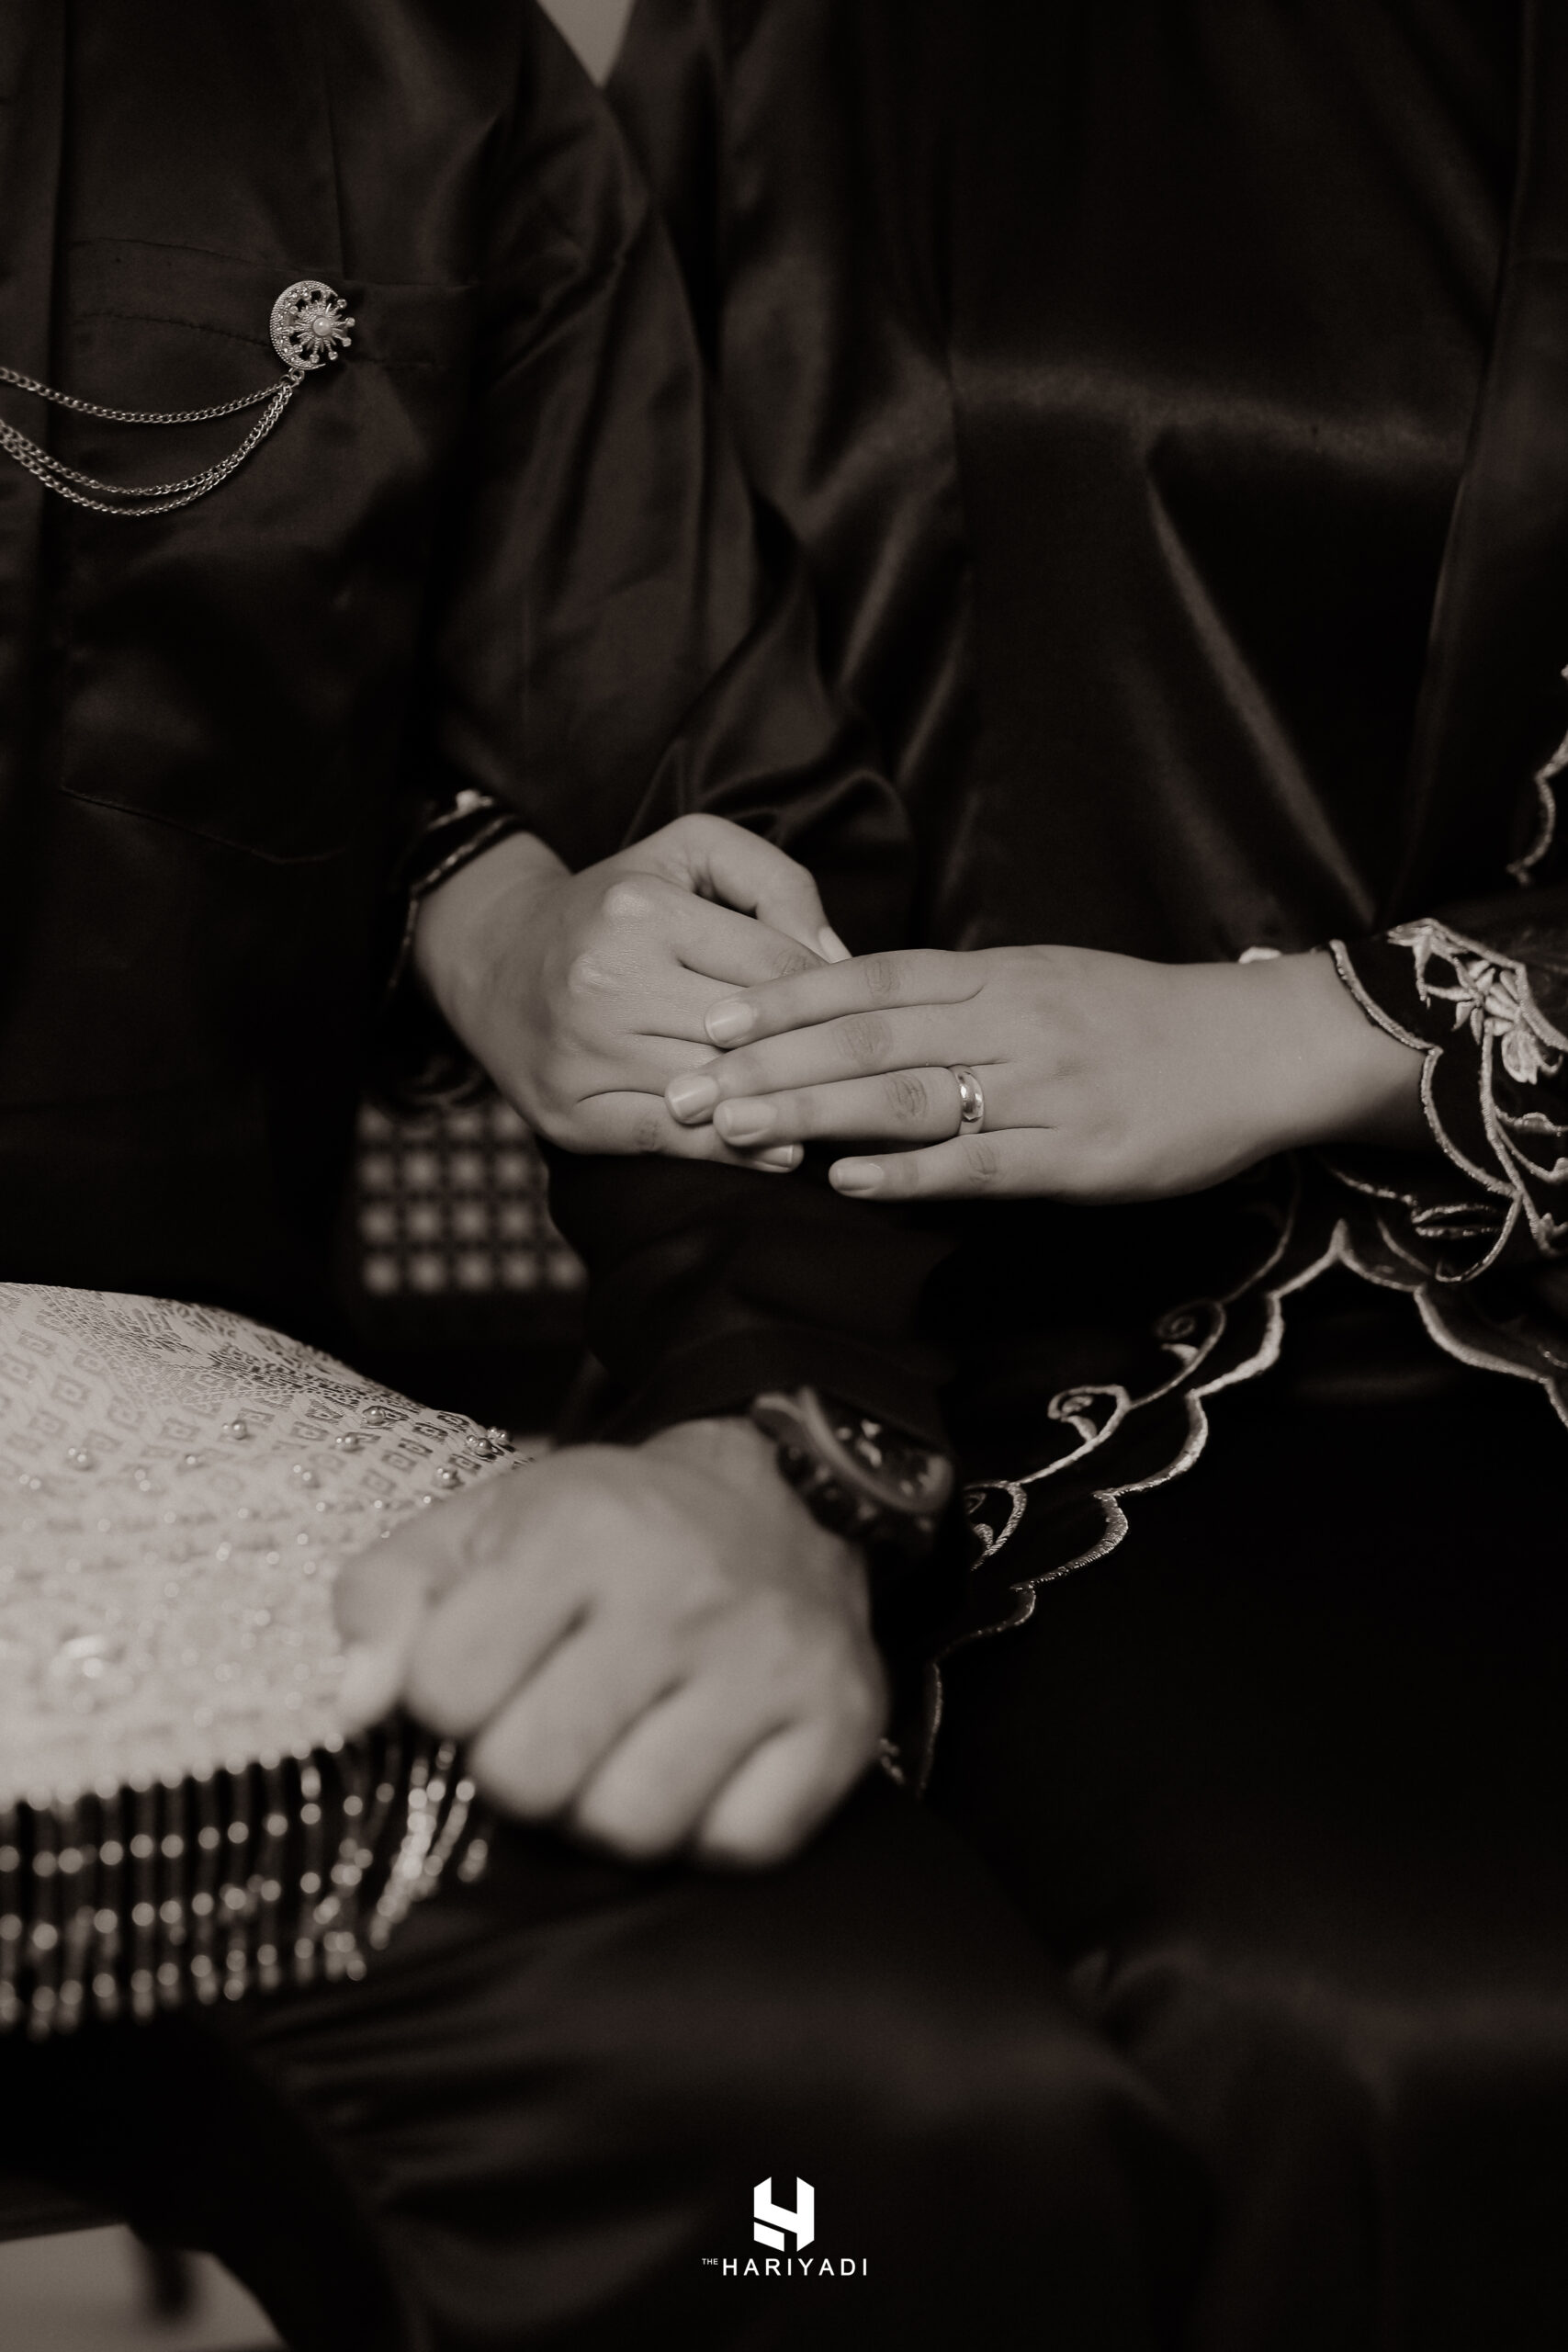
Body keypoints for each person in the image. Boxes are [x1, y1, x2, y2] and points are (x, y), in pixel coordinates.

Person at [0, 3, 1206, 2345]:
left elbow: (714, 841)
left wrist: (770, 1458)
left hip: (148, 1492)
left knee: (878, 2142)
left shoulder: (407, 87)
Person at [500, 1, 1568, 2344]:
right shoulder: (792, 55)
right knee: (1338, 1997)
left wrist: (1315, 1030)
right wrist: (505, 917)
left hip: (1507, 1302)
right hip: (989, 1342)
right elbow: (559, 649)